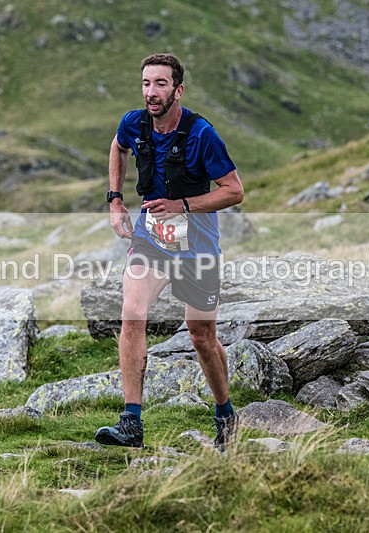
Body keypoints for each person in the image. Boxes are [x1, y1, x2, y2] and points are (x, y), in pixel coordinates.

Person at [96, 53, 244, 450]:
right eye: (146, 83)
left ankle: (225, 413)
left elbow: (234, 190)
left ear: (177, 90)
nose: (151, 92)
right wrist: (114, 200)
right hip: (152, 239)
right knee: (132, 315)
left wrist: (182, 205)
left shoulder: (201, 134)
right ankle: (131, 422)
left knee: (201, 336)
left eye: (160, 84)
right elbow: (118, 146)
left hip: (196, 244)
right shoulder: (134, 123)